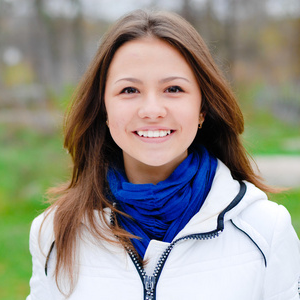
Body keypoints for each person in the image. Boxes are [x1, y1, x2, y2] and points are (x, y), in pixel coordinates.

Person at [26, 9, 300, 300]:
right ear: (104, 108)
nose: (152, 110)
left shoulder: (265, 229)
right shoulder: (54, 233)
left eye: (173, 88)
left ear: (202, 108)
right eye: (130, 90)